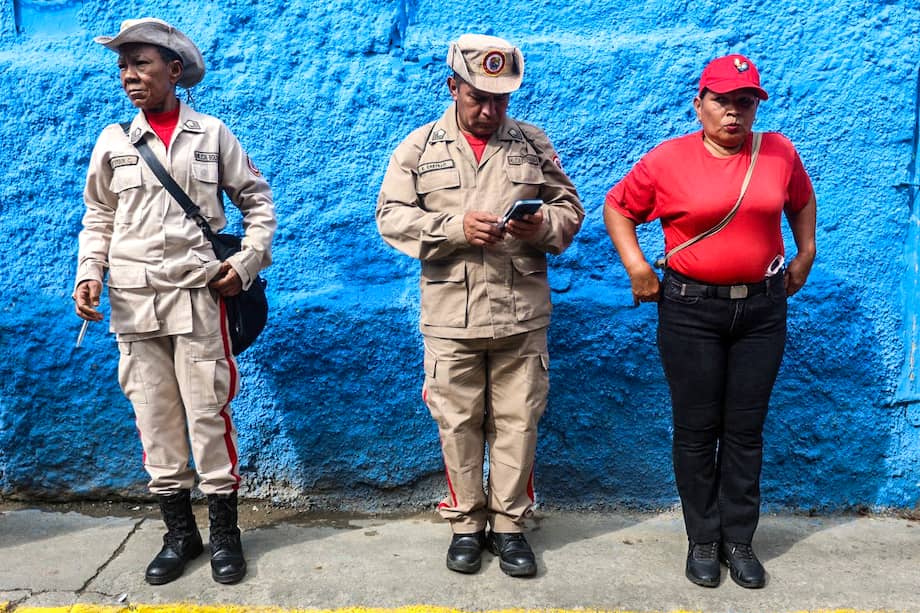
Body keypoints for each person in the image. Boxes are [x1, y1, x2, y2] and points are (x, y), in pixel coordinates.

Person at [73, 18, 276, 586]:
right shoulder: (114, 142)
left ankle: (225, 537)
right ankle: (180, 535)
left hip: (197, 299)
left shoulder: (211, 135)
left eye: (141, 64)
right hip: (134, 306)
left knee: (209, 418)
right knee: (155, 421)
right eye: (123, 67)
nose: (130, 76)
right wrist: (90, 273)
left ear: (175, 70)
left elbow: (257, 202)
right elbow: (99, 216)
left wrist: (245, 262)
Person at [603, 53, 816, 589]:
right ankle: (703, 538)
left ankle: (739, 541)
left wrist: (805, 251)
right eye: (722, 101)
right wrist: (636, 266)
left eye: (745, 103)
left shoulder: (778, 152)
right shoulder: (667, 160)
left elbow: (801, 200)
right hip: (691, 311)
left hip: (763, 311)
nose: (734, 114)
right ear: (699, 104)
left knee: (745, 431)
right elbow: (618, 207)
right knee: (697, 431)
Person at [376, 34, 584, 577]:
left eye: (501, 100)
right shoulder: (419, 148)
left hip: (521, 313)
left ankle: (511, 526)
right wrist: (454, 228)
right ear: (453, 87)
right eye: (478, 98)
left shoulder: (533, 144)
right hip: (451, 316)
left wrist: (543, 226)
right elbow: (391, 217)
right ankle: (466, 524)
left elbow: (569, 211)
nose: (490, 110)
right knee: (458, 422)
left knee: (519, 422)